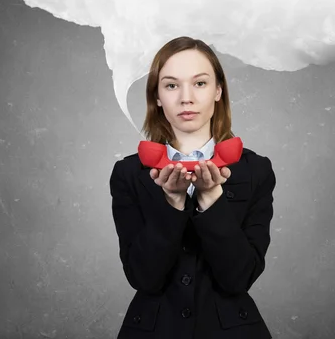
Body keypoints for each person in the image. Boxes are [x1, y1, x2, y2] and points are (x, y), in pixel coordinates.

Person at [110, 36, 276, 338]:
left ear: (218, 90)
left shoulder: (256, 170)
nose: (186, 98)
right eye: (171, 85)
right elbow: (143, 278)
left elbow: (239, 278)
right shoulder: (129, 174)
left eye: (199, 83)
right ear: (157, 96)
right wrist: (171, 204)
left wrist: (212, 199)